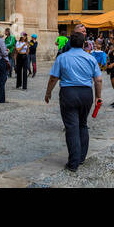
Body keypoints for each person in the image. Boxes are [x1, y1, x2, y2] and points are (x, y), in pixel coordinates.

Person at [44, 30, 103, 173]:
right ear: (84, 43)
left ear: (70, 43)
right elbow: (98, 79)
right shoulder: (90, 58)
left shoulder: (62, 58)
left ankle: (73, 162)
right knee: (83, 124)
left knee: (71, 127)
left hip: (69, 93)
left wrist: (48, 92)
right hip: (86, 93)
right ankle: (81, 157)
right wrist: (98, 96)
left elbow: (53, 78)